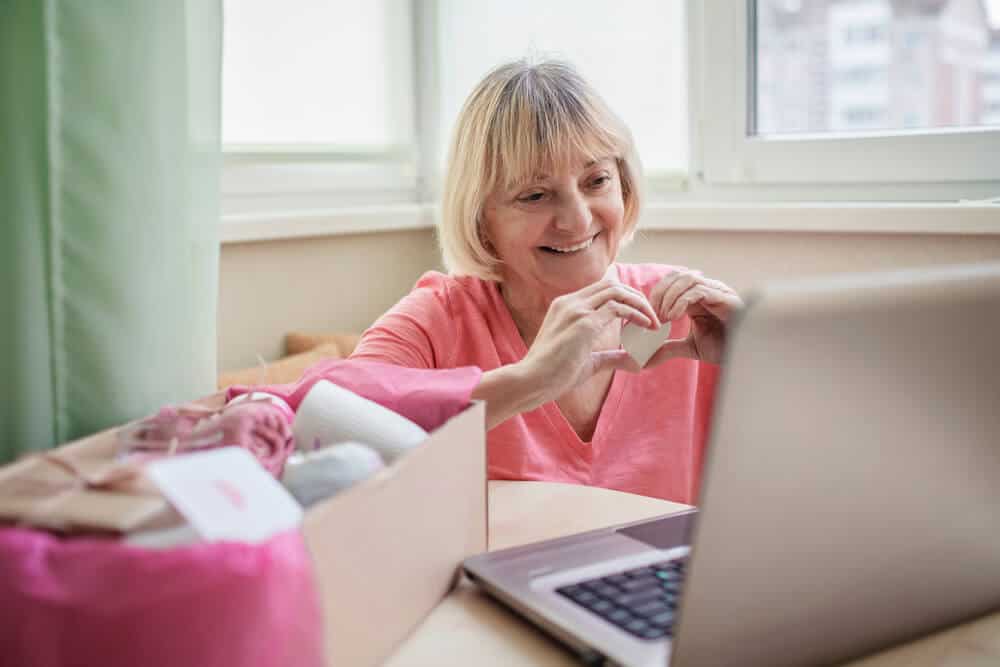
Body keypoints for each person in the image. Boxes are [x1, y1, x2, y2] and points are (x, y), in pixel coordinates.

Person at [351, 59, 742, 503]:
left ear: (625, 186)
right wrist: (527, 381)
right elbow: (327, 422)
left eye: (596, 181)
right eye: (535, 195)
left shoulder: (683, 313)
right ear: (481, 218)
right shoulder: (439, 318)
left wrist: (761, 364)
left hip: (660, 574)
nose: (577, 220)